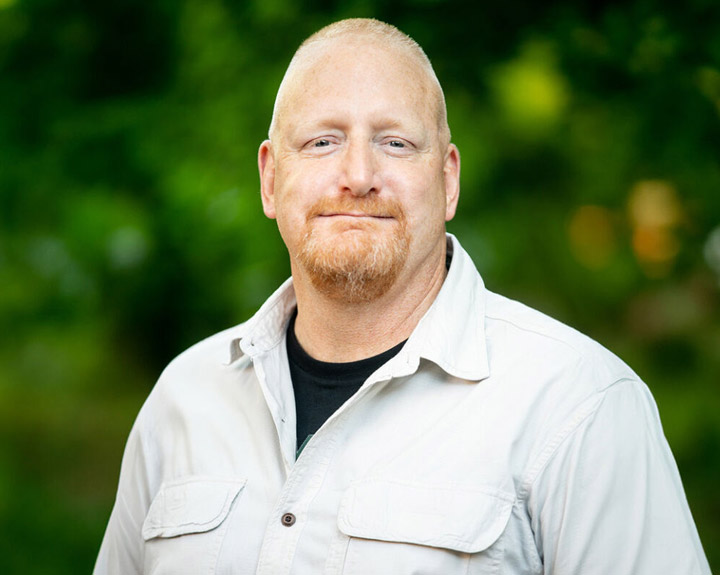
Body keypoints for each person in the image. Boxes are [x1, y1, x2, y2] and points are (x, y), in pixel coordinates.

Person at [94, 18, 710, 575]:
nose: (358, 176)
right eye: (321, 142)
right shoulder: (183, 400)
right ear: (270, 179)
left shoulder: (579, 405)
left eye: (395, 143)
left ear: (447, 181)